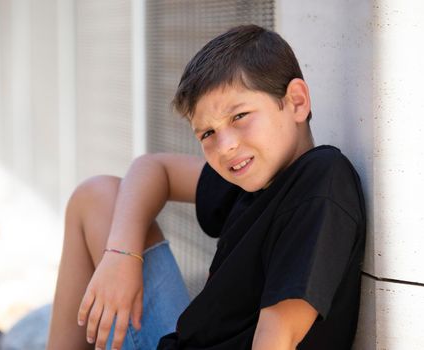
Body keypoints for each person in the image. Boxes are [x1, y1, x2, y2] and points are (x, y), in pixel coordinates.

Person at [47, 24, 366, 350]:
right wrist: (122, 257)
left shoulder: (319, 180)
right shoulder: (253, 174)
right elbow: (154, 168)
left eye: (239, 115)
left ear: (296, 102)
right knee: (97, 196)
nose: (225, 145)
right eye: (207, 134)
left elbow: (277, 338)